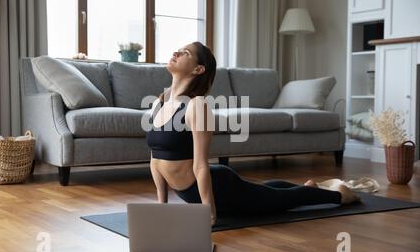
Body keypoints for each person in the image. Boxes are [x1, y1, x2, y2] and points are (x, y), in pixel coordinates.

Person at [145, 41, 360, 226]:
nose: (177, 52)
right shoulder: (158, 103)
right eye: (179, 50)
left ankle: (341, 194)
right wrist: (161, 207)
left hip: (221, 188)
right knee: (263, 193)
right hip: (192, 192)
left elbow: (200, 164)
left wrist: (208, 213)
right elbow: (155, 160)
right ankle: (307, 187)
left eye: (186, 53)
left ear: (198, 69)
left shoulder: (196, 105)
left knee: (279, 202)